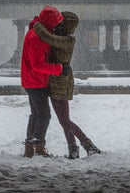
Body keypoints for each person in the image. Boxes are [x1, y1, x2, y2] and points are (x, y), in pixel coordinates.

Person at [32, 10, 102, 159]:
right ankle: (73, 149)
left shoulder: (67, 40)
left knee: (64, 120)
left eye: (61, 22)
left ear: (66, 25)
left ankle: (88, 145)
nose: (58, 24)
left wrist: (37, 24)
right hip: (59, 79)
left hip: (60, 81)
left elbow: (47, 37)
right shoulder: (65, 37)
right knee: (64, 117)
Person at [20, 5, 64, 158]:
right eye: (55, 22)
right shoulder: (36, 37)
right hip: (36, 82)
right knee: (44, 115)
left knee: (36, 114)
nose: (57, 25)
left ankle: (30, 147)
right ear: (49, 21)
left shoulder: (38, 34)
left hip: (33, 81)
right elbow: (37, 64)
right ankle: (38, 147)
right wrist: (58, 69)